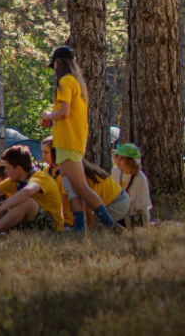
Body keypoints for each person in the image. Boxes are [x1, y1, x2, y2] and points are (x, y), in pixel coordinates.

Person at [39, 46, 120, 231]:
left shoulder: (65, 82)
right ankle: (79, 229)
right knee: (71, 188)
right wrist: (52, 120)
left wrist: (48, 115)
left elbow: (64, 112)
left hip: (68, 141)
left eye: (54, 66)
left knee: (80, 187)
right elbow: (69, 114)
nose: (54, 70)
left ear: (58, 63)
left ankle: (110, 225)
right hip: (70, 139)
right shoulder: (77, 82)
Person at [63, 157, 130, 229]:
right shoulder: (90, 171)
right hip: (121, 198)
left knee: (90, 226)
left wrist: (90, 227)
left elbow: (88, 205)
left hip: (117, 203)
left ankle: (119, 228)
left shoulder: (86, 179)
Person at [111, 143, 152, 228]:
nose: (118, 160)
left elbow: (143, 207)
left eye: (122, 158)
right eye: (117, 156)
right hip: (118, 213)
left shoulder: (140, 177)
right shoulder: (115, 171)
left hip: (133, 217)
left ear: (130, 161)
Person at [41, 136, 74, 228]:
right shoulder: (46, 170)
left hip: (64, 218)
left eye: (46, 152)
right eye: (42, 152)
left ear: (56, 152)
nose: (43, 156)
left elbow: (64, 200)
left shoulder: (65, 171)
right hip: (49, 212)